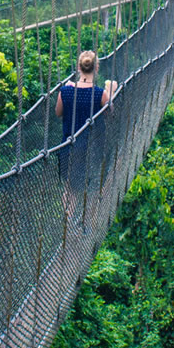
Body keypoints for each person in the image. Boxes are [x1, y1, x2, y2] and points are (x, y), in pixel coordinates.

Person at [54, 51, 117, 224]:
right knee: (85, 185)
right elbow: (111, 114)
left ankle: (67, 223)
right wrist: (111, 92)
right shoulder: (100, 94)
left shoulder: (65, 91)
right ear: (96, 68)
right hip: (91, 149)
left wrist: (68, 89)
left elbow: (58, 113)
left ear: (78, 67)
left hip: (68, 147)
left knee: (70, 187)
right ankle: (80, 222)